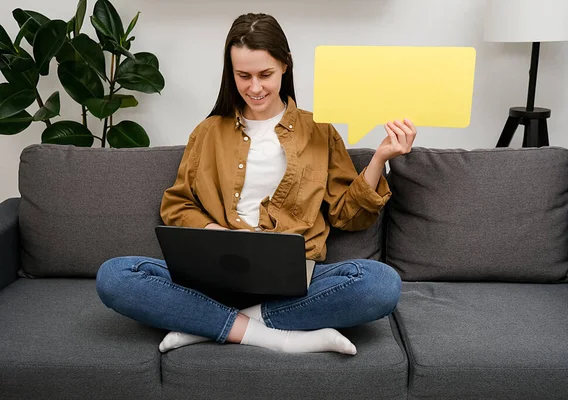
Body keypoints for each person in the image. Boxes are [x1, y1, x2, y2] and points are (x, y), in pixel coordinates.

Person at [96, 13, 417, 356]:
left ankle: (212, 325)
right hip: (213, 278)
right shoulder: (207, 132)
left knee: (380, 284)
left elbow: (348, 216)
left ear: (285, 66)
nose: (254, 87)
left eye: (265, 75)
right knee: (115, 275)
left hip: (294, 284)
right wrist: (216, 232)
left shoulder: (318, 131)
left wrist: (380, 158)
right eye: (243, 76)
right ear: (230, 72)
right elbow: (177, 205)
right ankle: (274, 336)